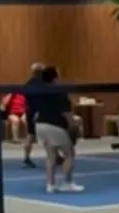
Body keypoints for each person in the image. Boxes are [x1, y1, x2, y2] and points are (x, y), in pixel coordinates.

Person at [34, 65, 83, 193]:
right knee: (69, 154)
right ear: (55, 77)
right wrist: (73, 126)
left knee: (51, 156)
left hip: (40, 125)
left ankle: (50, 184)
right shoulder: (59, 92)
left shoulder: (40, 91)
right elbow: (66, 112)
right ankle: (67, 182)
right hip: (54, 125)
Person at [22, 61, 44, 168]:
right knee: (49, 134)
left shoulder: (28, 83)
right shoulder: (44, 84)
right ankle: (55, 155)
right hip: (41, 111)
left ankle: (26, 157)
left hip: (30, 110)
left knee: (30, 134)